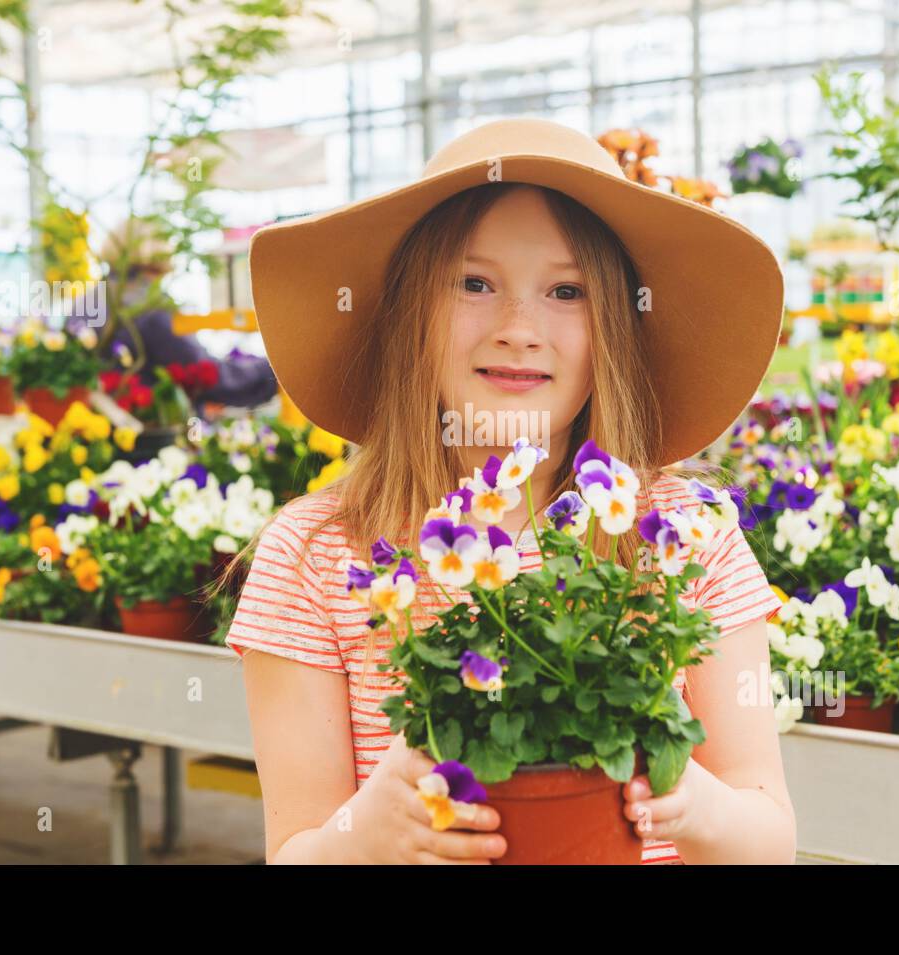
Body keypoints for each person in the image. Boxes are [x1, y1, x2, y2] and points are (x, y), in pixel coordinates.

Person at [224, 117, 795, 864]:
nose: (520, 328)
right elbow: (293, 850)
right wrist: (367, 834)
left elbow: (771, 838)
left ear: (616, 330)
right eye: (473, 283)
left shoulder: (689, 534)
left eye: (566, 290)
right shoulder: (315, 553)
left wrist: (693, 801)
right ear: (408, 317)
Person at [99, 218, 278, 410]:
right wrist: (273, 370)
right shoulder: (151, 309)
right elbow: (207, 374)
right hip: (150, 431)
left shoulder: (91, 299)